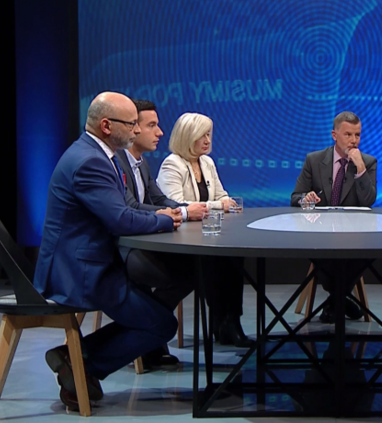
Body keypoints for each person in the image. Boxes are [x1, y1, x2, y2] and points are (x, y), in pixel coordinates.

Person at [34, 92, 183, 410]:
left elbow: (122, 212)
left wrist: (160, 216)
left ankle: (76, 359)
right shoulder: (90, 161)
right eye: (131, 124)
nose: (136, 130)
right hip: (80, 272)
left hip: (92, 263)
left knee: (158, 303)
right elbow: (120, 219)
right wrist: (164, 220)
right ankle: (80, 362)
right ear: (106, 126)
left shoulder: (97, 154)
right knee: (162, 323)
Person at [114, 99, 208, 369]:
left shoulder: (141, 163)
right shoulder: (116, 163)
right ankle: (145, 335)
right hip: (121, 248)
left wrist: (187, 209)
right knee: (186, 273)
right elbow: (130, 207)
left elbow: (159, 200)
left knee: (195, 269)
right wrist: (185, 213)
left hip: (142, 242)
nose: (160, 132)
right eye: (152, 125)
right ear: (133, 128)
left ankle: (148, 338)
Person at [157, 112, 252, 347]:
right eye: (202, 135)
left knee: (233, 255)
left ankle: (230, 321)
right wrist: (219, 205)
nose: (208, 140)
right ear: (187, 136)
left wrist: (225, 201)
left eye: (209, 134)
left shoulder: (207, 162)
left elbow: (221, 195)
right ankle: (222, 324)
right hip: (180, 238)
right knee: (214, 261)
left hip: (207, 233)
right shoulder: (172, 164)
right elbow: (176, 205)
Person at [290, 111, 377, 323]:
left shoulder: (368, 162)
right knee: (325, 254)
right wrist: (306, 199)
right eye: (348, 134)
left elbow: (368, 201)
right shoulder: (314, 160)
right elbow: (295, 197)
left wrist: (360, 168)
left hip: (354, 236)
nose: (354, 140)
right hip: (320, 234)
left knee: (364, 254)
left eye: (357, 135)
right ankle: (342, 301)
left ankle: (335, 302)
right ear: (334, 135)